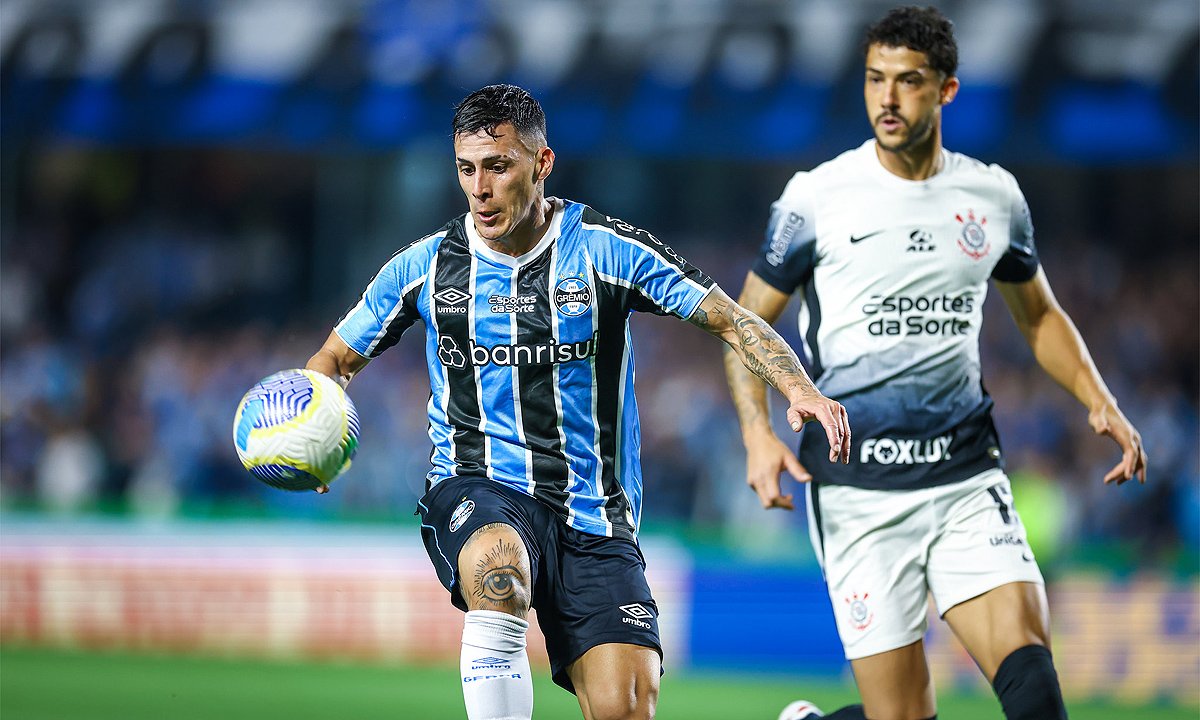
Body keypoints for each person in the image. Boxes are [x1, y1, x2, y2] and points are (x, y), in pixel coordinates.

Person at [304, 84, 851, 720]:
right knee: (497, 570)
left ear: (541, 164)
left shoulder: (604, 249)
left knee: (625, 710)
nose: (479, 189)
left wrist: (799, 388)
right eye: (466, 169)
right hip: (478, 484)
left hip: (596, 516)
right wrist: (317, 428)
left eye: (498, 165)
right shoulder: (425, 268)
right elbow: (334, 359)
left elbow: (730, 320)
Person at [723, 7, 1147, 720]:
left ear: (947, 90)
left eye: (908, 82)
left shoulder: (992, 197)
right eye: (874, 80)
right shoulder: (817, 198)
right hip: (859, 493)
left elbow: (1037, 313)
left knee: (1037, 698)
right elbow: (744, 324)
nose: (887, 100)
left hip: (964, 479)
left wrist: (1097, 396)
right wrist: (755, 433)